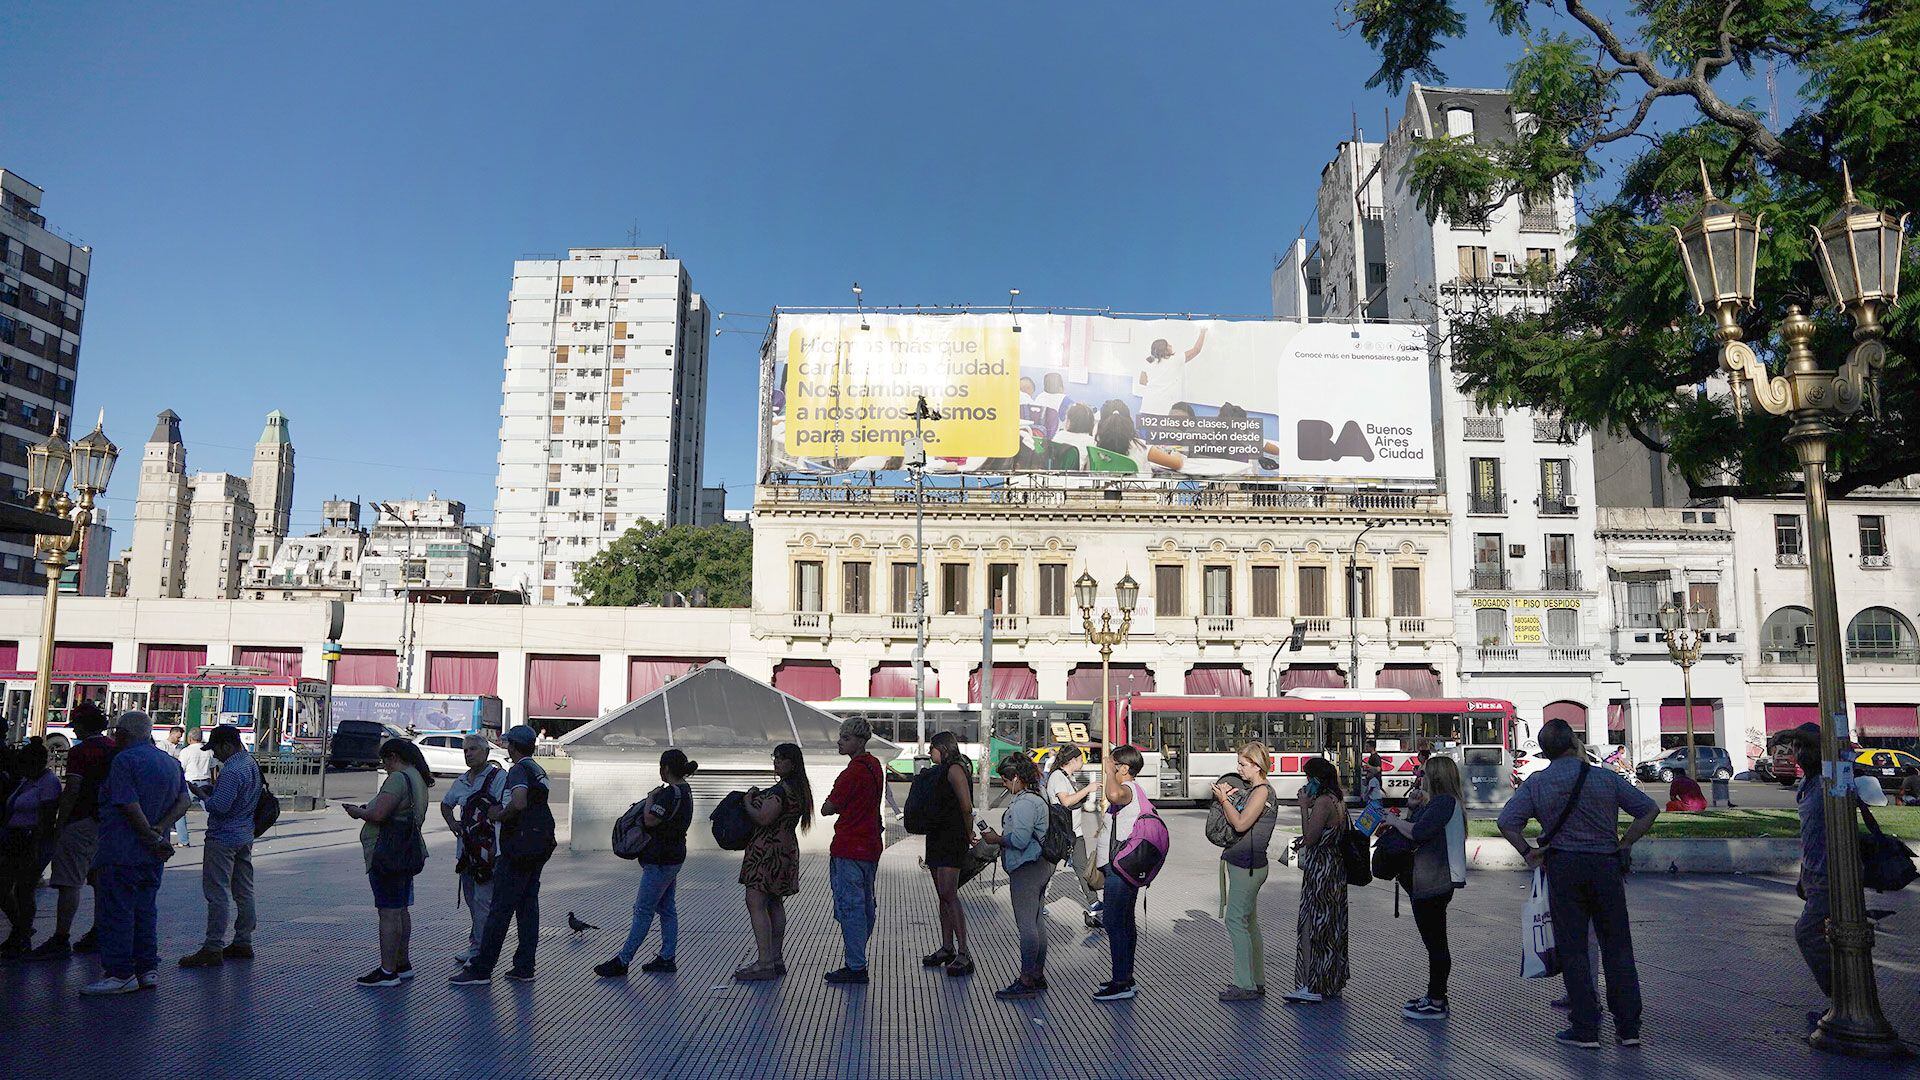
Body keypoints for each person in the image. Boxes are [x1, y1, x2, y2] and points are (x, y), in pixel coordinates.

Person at [1497, 717, 1660, 1049]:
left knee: (1573, 949)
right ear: (1574, 743)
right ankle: (1628, 1026)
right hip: (1605, 866)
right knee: (1617, 946)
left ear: (1544, 750)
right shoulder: (1605, 778)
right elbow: (1648, 809)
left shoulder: (1538, 783)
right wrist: (1625, 841)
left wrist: (1529, 852)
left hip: (1564, 867)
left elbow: (1506, 821)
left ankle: (1585, 1027)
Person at [82, 711, 189, 995]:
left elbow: (128, 804)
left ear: (124, 734)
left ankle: (120, 973)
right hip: (153, 855)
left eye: (116, 733)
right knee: (145, 910)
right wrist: (161, 830)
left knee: (117, 910)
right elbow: (183, 800)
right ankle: (146, 968)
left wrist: (148, 834)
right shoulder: (170, 762)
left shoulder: (124, 761)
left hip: (122, 849)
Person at [453, 725, 553, 986]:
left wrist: (500, 814)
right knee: (528, 907)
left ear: (513, 747)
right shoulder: (538, 770)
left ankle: (482, 969)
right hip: (539, 845)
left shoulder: (519, 769)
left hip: (518, 848)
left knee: (500, 910)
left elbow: (518, 801)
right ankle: (524, 966)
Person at [24, 701, 115, 960]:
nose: (74, 732)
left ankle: (61, 936)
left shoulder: (81, 752)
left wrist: (60, 822)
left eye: (76, 726)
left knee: (69, 881)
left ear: (84, 727)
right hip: (106, 821)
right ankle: (99, 931)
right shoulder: (114, 748)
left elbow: (73, 790)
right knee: (99, 881)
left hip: (81, 820)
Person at [597, 748, 697, 978]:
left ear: (666, 769)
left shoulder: (668, 794)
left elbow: (650, 820)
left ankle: (623, 961)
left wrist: (650, 798)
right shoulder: (685, 790)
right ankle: (667, 957)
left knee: (643, 911)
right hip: (674, 857)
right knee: (667, 909)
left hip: (660, 861)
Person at [1382, 755, 1468, 1021]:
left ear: (1435, 777)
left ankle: (1437, 999)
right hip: (1431, 879)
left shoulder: (1443, 802)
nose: (1420, 777)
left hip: (1434, 880)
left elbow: (1418, 833)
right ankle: (1434, 996)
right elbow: (1419, 827)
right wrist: (1412, 809)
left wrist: (1394, 820)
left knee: (1435, 942)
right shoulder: (1443, 803)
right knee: (1434, 940)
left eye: (1423, 773)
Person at [344, 737, 435, 987]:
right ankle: (402, 964)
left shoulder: (398, 778)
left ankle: (387, 971)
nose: (385, 766)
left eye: (385, 761)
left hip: (388, 853)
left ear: (394, 757)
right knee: (401, 909)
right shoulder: (417, 777)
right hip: (407, 851)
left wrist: (358, 812)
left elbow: (379, 814)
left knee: (389, 912)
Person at [179, 725, 261, 968]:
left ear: (227, 745)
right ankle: (243, 941)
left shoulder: (232, 770)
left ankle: (213, 946)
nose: (214, 755)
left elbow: (220, 807)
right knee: (244, 890)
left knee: (217, 892)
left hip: (223, 838)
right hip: (245, 834)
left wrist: (203, 796)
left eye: (215, 750)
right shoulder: (250, 763)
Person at [736, 742, 811, 981]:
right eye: (775, 757)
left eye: (782, 758)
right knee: (775, 901)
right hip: (786, 847)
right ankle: (776, 958)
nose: (776, 761)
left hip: (767, 851)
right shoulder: (799, 790)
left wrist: (748, 801)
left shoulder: (781, 791)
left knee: (755, 900)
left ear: (793, 763)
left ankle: (764, 962)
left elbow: (763, 817)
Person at [979, 753, 1051, 999]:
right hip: (1041, 865)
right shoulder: (1038, 797)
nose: (1006, 786)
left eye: (1006, 781)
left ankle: (1026, 979)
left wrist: (996, 839)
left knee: (1027, 926)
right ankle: (1037, 974)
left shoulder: (1023, 804)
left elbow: (1019, 840)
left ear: (1017, 778)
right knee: (1037, 922)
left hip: (1026, 867)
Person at [820, 718, 884, 985]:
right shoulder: (875, 766)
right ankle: (857, 958)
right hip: (870, 846)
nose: (839, 741)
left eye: (845, 738)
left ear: (858, 741)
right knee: (866, 904)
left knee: (850, 906)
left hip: (848, 846)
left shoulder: (851, 773)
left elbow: (828, 807)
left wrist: (829, 805)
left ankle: (856, 965)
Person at [1211, 741, 1277, 1002]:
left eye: (1243, 764)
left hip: (1247, 865)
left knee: (1235, 921)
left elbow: (1240, 824)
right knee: (1249, 923)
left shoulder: (1262, 791)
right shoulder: (1256, 790)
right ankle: (1255, 980)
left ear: (1257, 765)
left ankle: (1245, 984)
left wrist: (1224, 800)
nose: (1238, 769)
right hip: (1248, 864)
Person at [1286, 756, 1349, 1004]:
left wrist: (1303, 807)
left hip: (1321, 872)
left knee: (1311, 926)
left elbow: (1310, 837)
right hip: (1334, 870)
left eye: (1307, 777)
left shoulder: (1323, 802)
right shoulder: (1338, 799)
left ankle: (1310, 983)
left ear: (1315, 779)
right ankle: (1330, 980)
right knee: (1332, 927)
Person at [440, 734, 507, 967]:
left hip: (488, 855)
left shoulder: (498, 778)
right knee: (472, 901)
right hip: (466, 854)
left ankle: (482, 953)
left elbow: (507, 808)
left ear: (486, 753)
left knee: (482, 902)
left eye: (473, 750)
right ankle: (475, 946)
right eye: (465, 750)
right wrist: (453, 825)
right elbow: (446, 804)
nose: (468, 754)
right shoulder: (461, 781)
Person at [1780, 723, 1834, 1013]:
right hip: (1815, 874)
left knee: (1808, 933)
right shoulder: (1808, 784)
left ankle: (1844, 999)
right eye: (1798, 748)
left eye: (1807, 747)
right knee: (1824, 937)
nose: (1801, 753)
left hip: (1833, 875)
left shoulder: (1830, 780)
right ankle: (1843, 1000)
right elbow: (1809, 834)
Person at [1092, 743, 1148, 1002]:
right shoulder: (1133, 791)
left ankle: (1121, 982)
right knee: (1123, 922)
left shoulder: (1127, 790)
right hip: (1121, 868)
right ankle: (1124, 976)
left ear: (1124, 768)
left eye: (1115, 764)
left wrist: (1107, 771)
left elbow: (1113, 795)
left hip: (1120, 869)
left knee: (1115, 922)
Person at [919, 730, 975, 977]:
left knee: (949, 894)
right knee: (942, 895)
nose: (930, 753)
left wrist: (969, 832)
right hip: (938, 837)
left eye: (932, 748)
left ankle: (963, 952)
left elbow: (966, 806)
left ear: (942, 748)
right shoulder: (940, 771)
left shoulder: (954, 769)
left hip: (952, 838)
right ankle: (947, 947)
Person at [0, 740, 61, 956]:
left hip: (31, 839)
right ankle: (21, 929)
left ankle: (21, 934)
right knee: (6, 887)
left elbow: (47, 817)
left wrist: (37, 844)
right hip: (14, 838)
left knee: (24, 889)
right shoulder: (27, 781)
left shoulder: (48, 783)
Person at [1044, 745, 1101, 928]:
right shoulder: (1058, 777)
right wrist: (1088, 790)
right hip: (1061, 834)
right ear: (1073, 760)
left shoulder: (1068, 776)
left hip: (1075, 833)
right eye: (1081, 758)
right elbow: (1066, 801)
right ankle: (1035, 903)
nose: (1083, 761)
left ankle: (1094, 903)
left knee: (1082, 868)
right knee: (1048, 870)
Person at [1136, 328, 1208, 415]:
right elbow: (1196, 350)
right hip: (1165, 409)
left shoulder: (1148, 360)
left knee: (1149, 429)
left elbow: (1142, 381)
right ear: (1164, 349)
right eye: (1168, 345)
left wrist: (1158, 383)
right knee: (1167, 429)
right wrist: (1202, 332)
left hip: (1147, 406)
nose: (1171, 345)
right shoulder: (1175, 360)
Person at [176, 728, 215, 848]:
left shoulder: (186, 751)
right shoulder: (209, 750)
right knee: (211, 811)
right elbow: (213, 768)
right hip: (206, 782)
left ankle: (184, 840)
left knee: (179, 812)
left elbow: (180, 768)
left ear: (190, 738)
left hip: (190, 783)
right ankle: (217, 836)